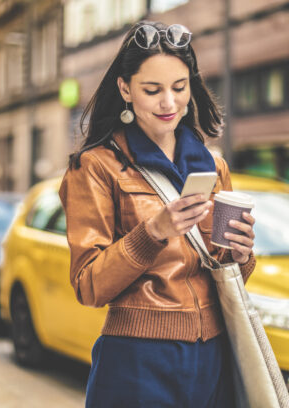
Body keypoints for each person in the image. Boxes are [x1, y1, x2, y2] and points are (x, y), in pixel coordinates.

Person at [59, 21, 256, 408]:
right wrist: (154, 231)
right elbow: (88, 285)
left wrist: (241, 254)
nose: (169, 103)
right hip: (137, 362)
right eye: (153, 90)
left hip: (213, 356)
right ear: (125, 89)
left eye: (179, 88)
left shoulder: (213, 167)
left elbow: (224, 272)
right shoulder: (95, 167)